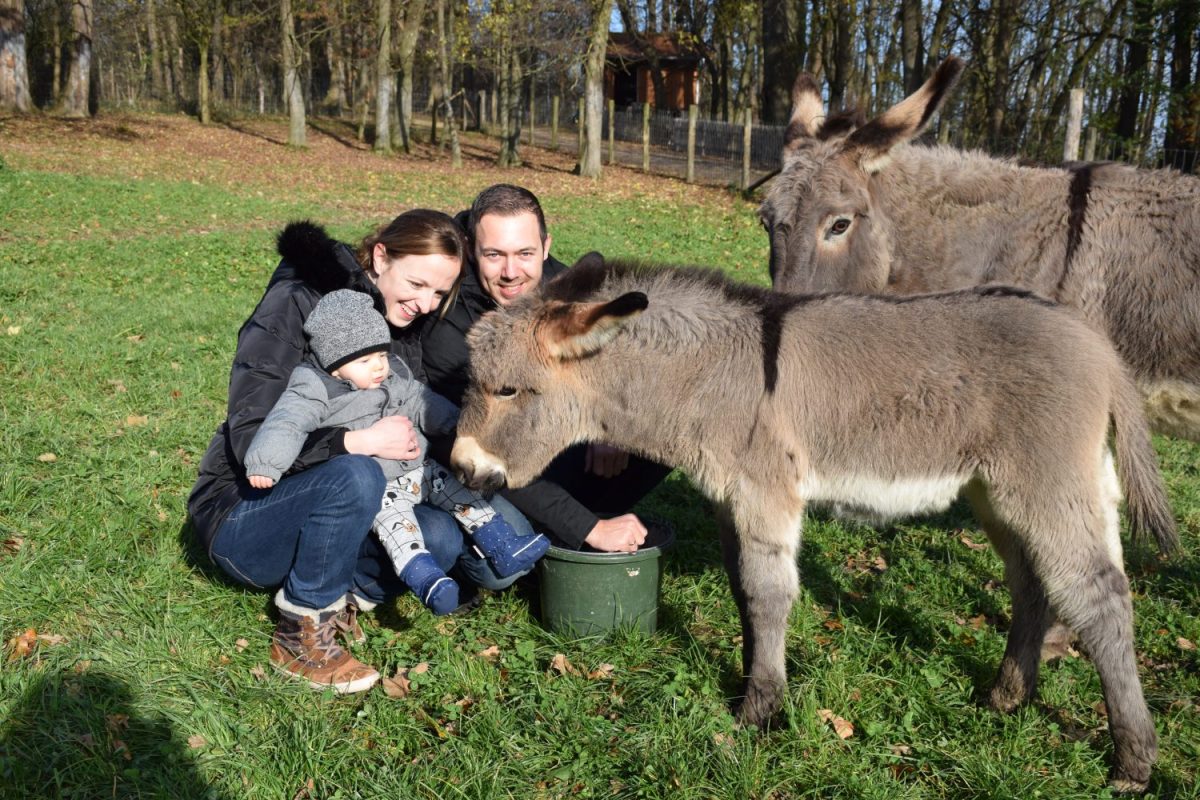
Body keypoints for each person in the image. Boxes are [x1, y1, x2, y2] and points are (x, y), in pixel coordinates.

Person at [187, 210, 538, 695]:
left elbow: (413, 406)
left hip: (341, 504)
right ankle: (299, 634)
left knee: (439, 538)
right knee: (356, 474)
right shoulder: (297, 302)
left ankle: (345, 590)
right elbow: (253, 437)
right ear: (379, 256)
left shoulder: (395, 321)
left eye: (438, 293)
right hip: (244, 513)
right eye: (417, 283)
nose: (425, 303)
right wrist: (357, 443)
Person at [242, 290, 549, 616]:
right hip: (383, 486)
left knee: (463, 495)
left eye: (381, 355)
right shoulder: (315, 386)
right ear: (335, 366)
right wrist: (267, 462)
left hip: (422, 467)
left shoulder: (391, 374)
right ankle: (429, 581)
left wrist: (459, 426)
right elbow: (287, 421)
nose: (378, 367)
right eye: (364, 360)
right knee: (400, 529)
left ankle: (502, 544)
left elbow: (419, 399)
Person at [422, 184, 673, 553]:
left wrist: (611, 428)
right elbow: (477, 447)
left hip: (554, 440)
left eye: (525, 253)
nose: (511, 272)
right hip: (487, 465)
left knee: (660, 419)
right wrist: (588, 528)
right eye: (494, 255)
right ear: (472, 251)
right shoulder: (449, 326)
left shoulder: (562, 286)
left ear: (546, 246)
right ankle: (570, 531)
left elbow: (626, 357)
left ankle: (584, 520)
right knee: (507, 551)